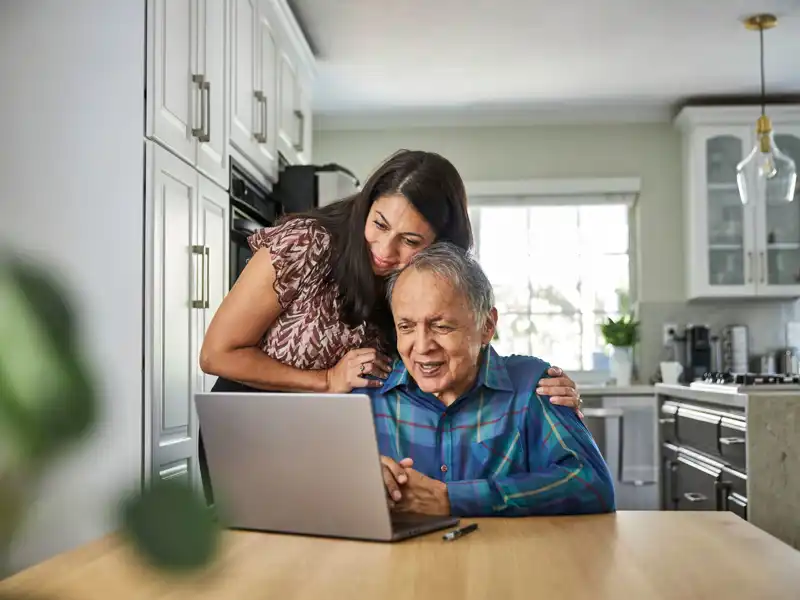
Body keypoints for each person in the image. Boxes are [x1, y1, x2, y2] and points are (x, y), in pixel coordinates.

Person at [200, 149, 582, 408]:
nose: (384, 249)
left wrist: (539, 389)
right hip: (248, 423)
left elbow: (462, 348)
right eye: (379, 224)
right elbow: (216, 354)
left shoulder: (427, 281)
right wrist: (327, 380)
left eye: (410, 241)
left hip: (338, 438)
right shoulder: (306, 242)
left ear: (441, 245)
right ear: (367, 205)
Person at [369, 242, 615, 517]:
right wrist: (360, 480)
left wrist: (452, 499)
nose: (423, 345)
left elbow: (592, 484)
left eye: (441, 326)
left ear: (486, 326)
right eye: (407, 327)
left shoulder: (532, 386)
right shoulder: (369, 395)